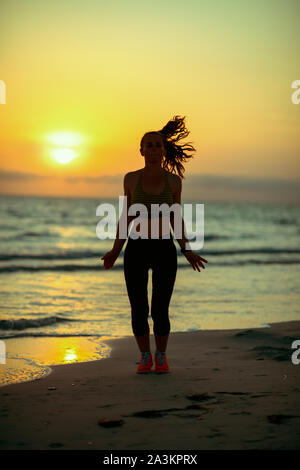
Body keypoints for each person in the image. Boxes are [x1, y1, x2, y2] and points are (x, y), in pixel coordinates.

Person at [101, 115, 208, 374]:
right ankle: (145, 357)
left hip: (163, 249)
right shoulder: (130, 178)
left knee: (160, 308)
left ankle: (161, 357)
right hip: (136, 249)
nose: (153, 148)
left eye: (157, 144)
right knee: (139, 307)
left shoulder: (173, 182)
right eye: (148, 145)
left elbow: (176, 218)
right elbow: (125, 216)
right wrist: (116, 250)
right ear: (141, 151)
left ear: (164, 149)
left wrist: (187, 249)